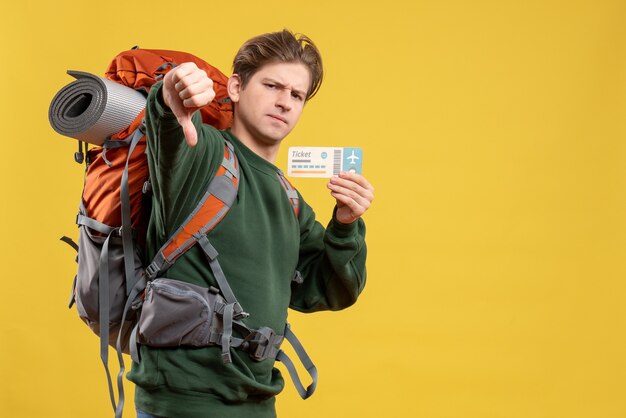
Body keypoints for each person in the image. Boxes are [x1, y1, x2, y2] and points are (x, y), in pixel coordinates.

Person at [127, 29, 375, 418]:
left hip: (258, 405)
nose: (284, 102)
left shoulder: (290, 199)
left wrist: (345, 225)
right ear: (237, 87)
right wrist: (169, 96)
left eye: (296, 95)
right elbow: (171, 129)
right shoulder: (203, 152)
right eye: (272, 85)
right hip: (180, 406)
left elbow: (331, 291)